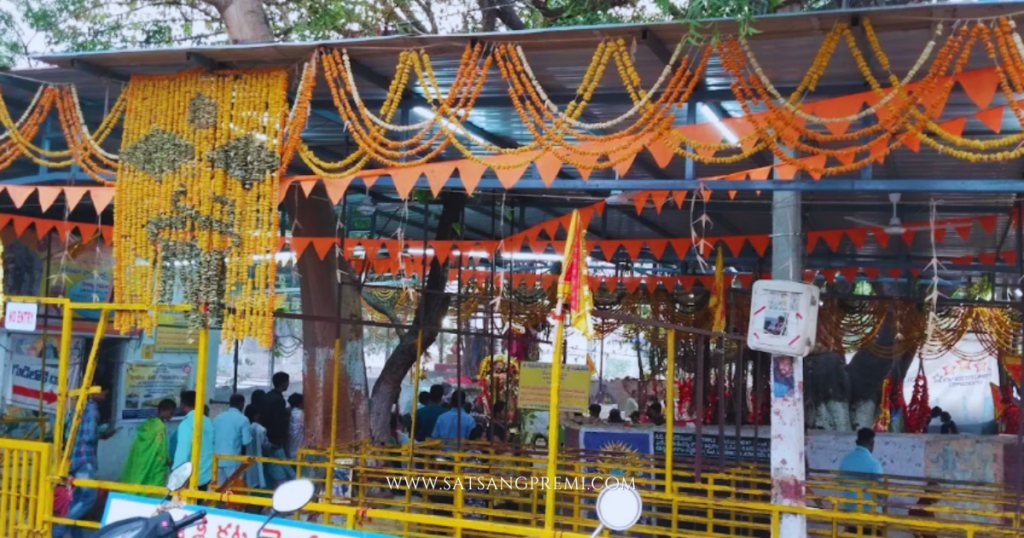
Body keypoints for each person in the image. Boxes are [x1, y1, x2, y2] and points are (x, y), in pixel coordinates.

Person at [53, 384, 115, 538]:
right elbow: (89, 437)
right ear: (97, 390)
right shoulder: (92, 409)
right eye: (105, 393)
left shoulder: (77, 407)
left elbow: (68, 432)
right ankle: (58, 530)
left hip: (73, 458)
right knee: (88, 497)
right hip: (85, 459)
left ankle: (75, 535)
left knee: (77, 499)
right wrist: (103, 433)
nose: (106, 397)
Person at [122, 399, 176, 490]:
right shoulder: (160, 427)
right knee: (153, 485)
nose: (172, 415)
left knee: (139, 481)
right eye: (171, 413)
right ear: (165, 411)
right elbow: (161, 449)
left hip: (140, 460)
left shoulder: (147, 423)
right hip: (154, 463)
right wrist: (169, 461)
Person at [172, 390, 216, 490]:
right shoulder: (208, 421)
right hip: (206, 475)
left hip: (190, 477)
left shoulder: (187, 423)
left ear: (182, 404)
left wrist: (178, 475)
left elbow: (183, 451)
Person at [838, 428, 884, 519]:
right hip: (870, 515)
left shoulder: (845, 460)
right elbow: (881, 493)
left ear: (856, 442)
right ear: (872, 444)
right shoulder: (874, 464)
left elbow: (841, 482)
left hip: (850, 512)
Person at [259, 372, 294, 486]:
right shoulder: (279, 400)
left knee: (269, 469)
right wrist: (280, 439)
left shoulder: (265, 397)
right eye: (287, 381)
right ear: (284, 383)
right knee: (283, 470)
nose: (288, 384)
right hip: (275, 441)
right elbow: (278, 421)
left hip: (263, 439)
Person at [212, 394, 252, 487]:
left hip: (217, 460)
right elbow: (246, 441)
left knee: (217, 491)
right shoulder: (244, 419)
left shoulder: (217, 418)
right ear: (242, 404)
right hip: (233, 461)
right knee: (234, 491)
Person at [244, 406, 268, 490]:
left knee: (249, 478)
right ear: (255, 416)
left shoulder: (246, 427)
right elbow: (265, 445)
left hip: (247, 458)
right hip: (259, 456)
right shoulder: (261, 429)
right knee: (259, 477)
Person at [287, 393, 305, 459]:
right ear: (300, 404)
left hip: (291, 448)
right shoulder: (300, 414)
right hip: (298, 450)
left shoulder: (291, 413)